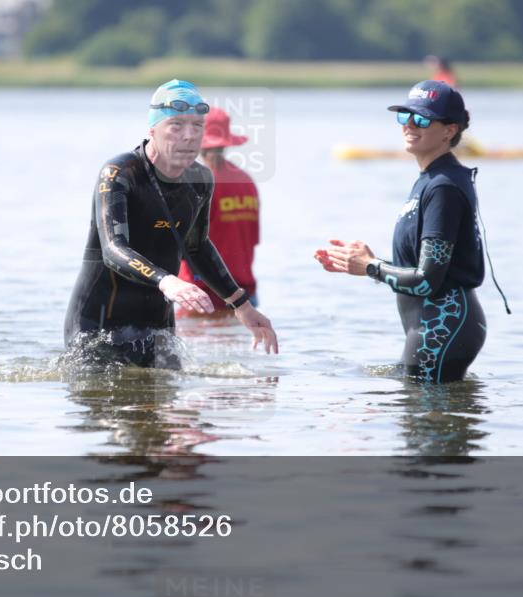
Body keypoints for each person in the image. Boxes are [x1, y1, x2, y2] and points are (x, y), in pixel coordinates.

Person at [64, 79, 279, 368]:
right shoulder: (120, 172)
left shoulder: (201, 179)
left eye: (197, 127)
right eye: (176, 126)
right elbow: (113, 249)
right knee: (112, 409)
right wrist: (165, 280)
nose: (189, 136)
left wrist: (241, 304)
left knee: (177, 409)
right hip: (100, 323)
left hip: (157, 325)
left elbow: (198, 247)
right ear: (153, 129)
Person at [314, 80, 486, 383]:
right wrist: (366, 260)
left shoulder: (443, 186)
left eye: (421, 119)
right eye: (404, 117)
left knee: (423, 424)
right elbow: (419, 270)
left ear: (449, 130)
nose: (409, 125)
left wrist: (369, 267)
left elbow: (426, 281)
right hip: (432, 328)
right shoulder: (431, 180)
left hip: (442, 327)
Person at [177, 107, 260, 317]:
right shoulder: (245, 181)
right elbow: (252, 239)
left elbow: (184, 246)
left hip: (203, 294)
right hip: (244, 294)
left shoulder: (197, 183)